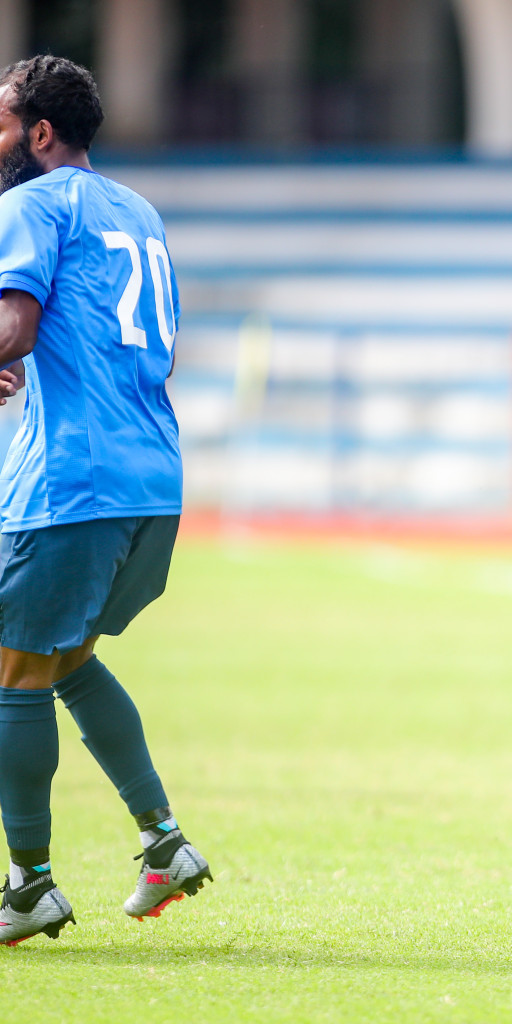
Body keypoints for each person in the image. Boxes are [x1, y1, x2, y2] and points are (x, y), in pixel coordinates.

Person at [0, 56, 211, 944]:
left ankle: (28, 886)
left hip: (71, 482)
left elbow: (15, 325)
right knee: (68, 663)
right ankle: (165, 844)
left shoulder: (28, 206)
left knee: (12, 675)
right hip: (152, 481)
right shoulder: (139, 210)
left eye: (2, 123)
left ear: (40, 133)